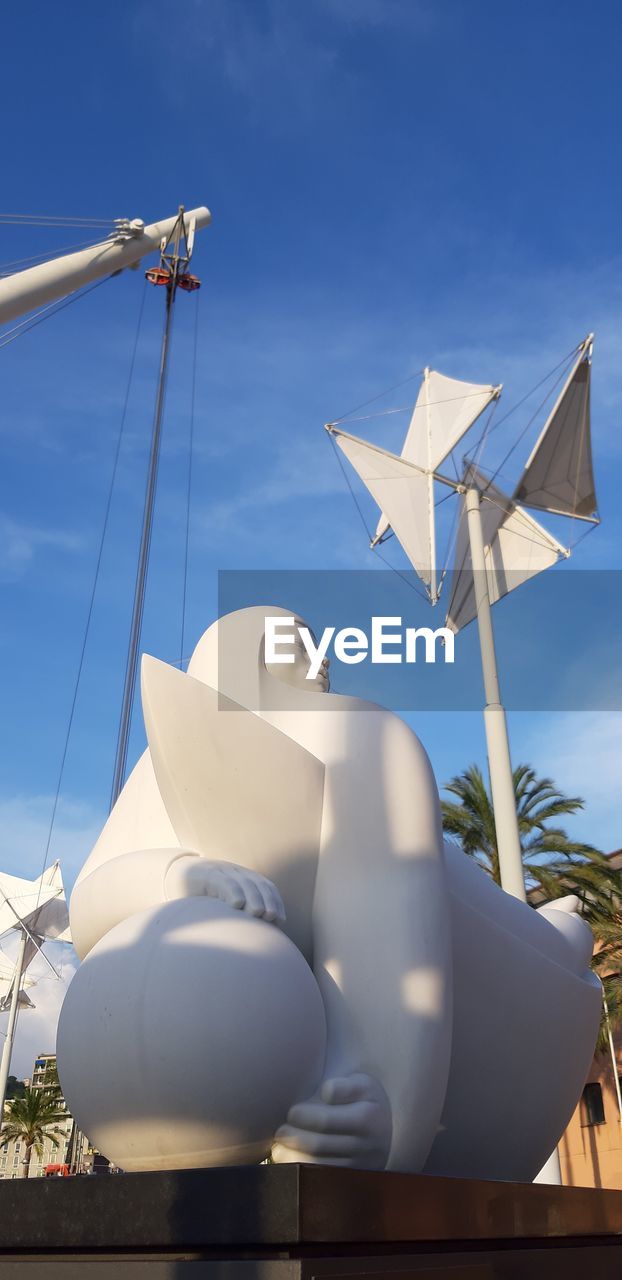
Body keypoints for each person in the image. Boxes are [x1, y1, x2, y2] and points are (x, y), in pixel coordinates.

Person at [67, 606, 601, 1178]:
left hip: (514, 975)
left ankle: (560, 933)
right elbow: (87, 918)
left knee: (547, 938)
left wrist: (376, 1109)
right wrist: (177, 874)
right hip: (213, 1061)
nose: (321, 664)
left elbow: (388, 944)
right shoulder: (165, 758)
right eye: (300, 645)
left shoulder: (353, 736)